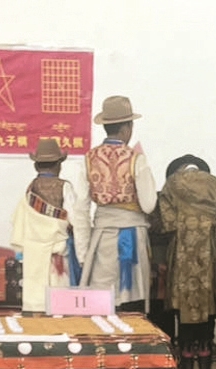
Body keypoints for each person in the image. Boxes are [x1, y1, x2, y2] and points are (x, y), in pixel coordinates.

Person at [73, 94, 158, 309]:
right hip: (133, 236)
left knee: (102, 302)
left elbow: (80, 210)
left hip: (103, 238)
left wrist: (83, 253)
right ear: (127, 128)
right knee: (132, 302)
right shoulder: (136, 158)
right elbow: (149, 204)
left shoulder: (89, 159)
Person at [154, 154, 216, 369]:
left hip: (182, 251)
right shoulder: (214, 182)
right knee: (207, 306)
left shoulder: (171, 183)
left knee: (183, 306)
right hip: (207, 251)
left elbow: (167, 222)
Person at [11, 137, 90, 313]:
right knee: (60, 308)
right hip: (58, 258)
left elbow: (19, 224)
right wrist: (83, 256)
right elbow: (77, 222)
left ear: (36, 166)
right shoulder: (64, 187)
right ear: (59, 165)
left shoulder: (30, 190)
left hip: (34, 258)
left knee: (36, 308)